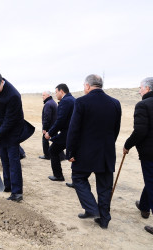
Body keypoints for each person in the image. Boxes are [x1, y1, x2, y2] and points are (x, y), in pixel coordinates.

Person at [67, 74, 121, 229]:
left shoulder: (82, 102)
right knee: (105, 187)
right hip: (106, 152)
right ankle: (104, 219)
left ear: (88, 86)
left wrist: (70, 152)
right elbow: (115, 130)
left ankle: (92, 209)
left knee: (78, 177)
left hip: (85, 153)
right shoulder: (115, 103)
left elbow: (74, 129)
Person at [0, 70, 35, 202]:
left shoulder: (13, 96)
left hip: (12, 131)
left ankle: (17, 193)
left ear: (2, 82)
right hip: (2, 127)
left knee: (13, 161)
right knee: (4, 158)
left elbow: (9, 122)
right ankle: (8, 185)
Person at [123, 77, 153, 235]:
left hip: (150, 153)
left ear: (147, 89)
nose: (139, 90)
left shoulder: (143, 105)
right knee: (150, 180)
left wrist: (127, 145)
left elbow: (140, 131)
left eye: (141, 88)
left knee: (151, 182)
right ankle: (144, 206)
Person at [44, 84, 75, 183]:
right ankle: (76, 180)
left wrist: (50, 132)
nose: (56, 94)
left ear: (61, 91)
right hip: (73, 132)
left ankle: (58, 175)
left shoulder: (65, 101)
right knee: (74, 155)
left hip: (67, 133)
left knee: (53, 150)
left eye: (56, 92)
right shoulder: (73, 99)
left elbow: (61, 120)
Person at [39, 91, 57, 160]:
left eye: (44, 95)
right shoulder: (52, 102)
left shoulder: (48, 104)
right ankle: (61, 155)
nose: (42, 97)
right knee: (55, 140)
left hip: (49, 127)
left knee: (45, 140)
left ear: (48, 95)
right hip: (54, 126)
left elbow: (47, 117)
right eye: (42, 95)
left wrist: (44, 128)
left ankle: (47, 155)